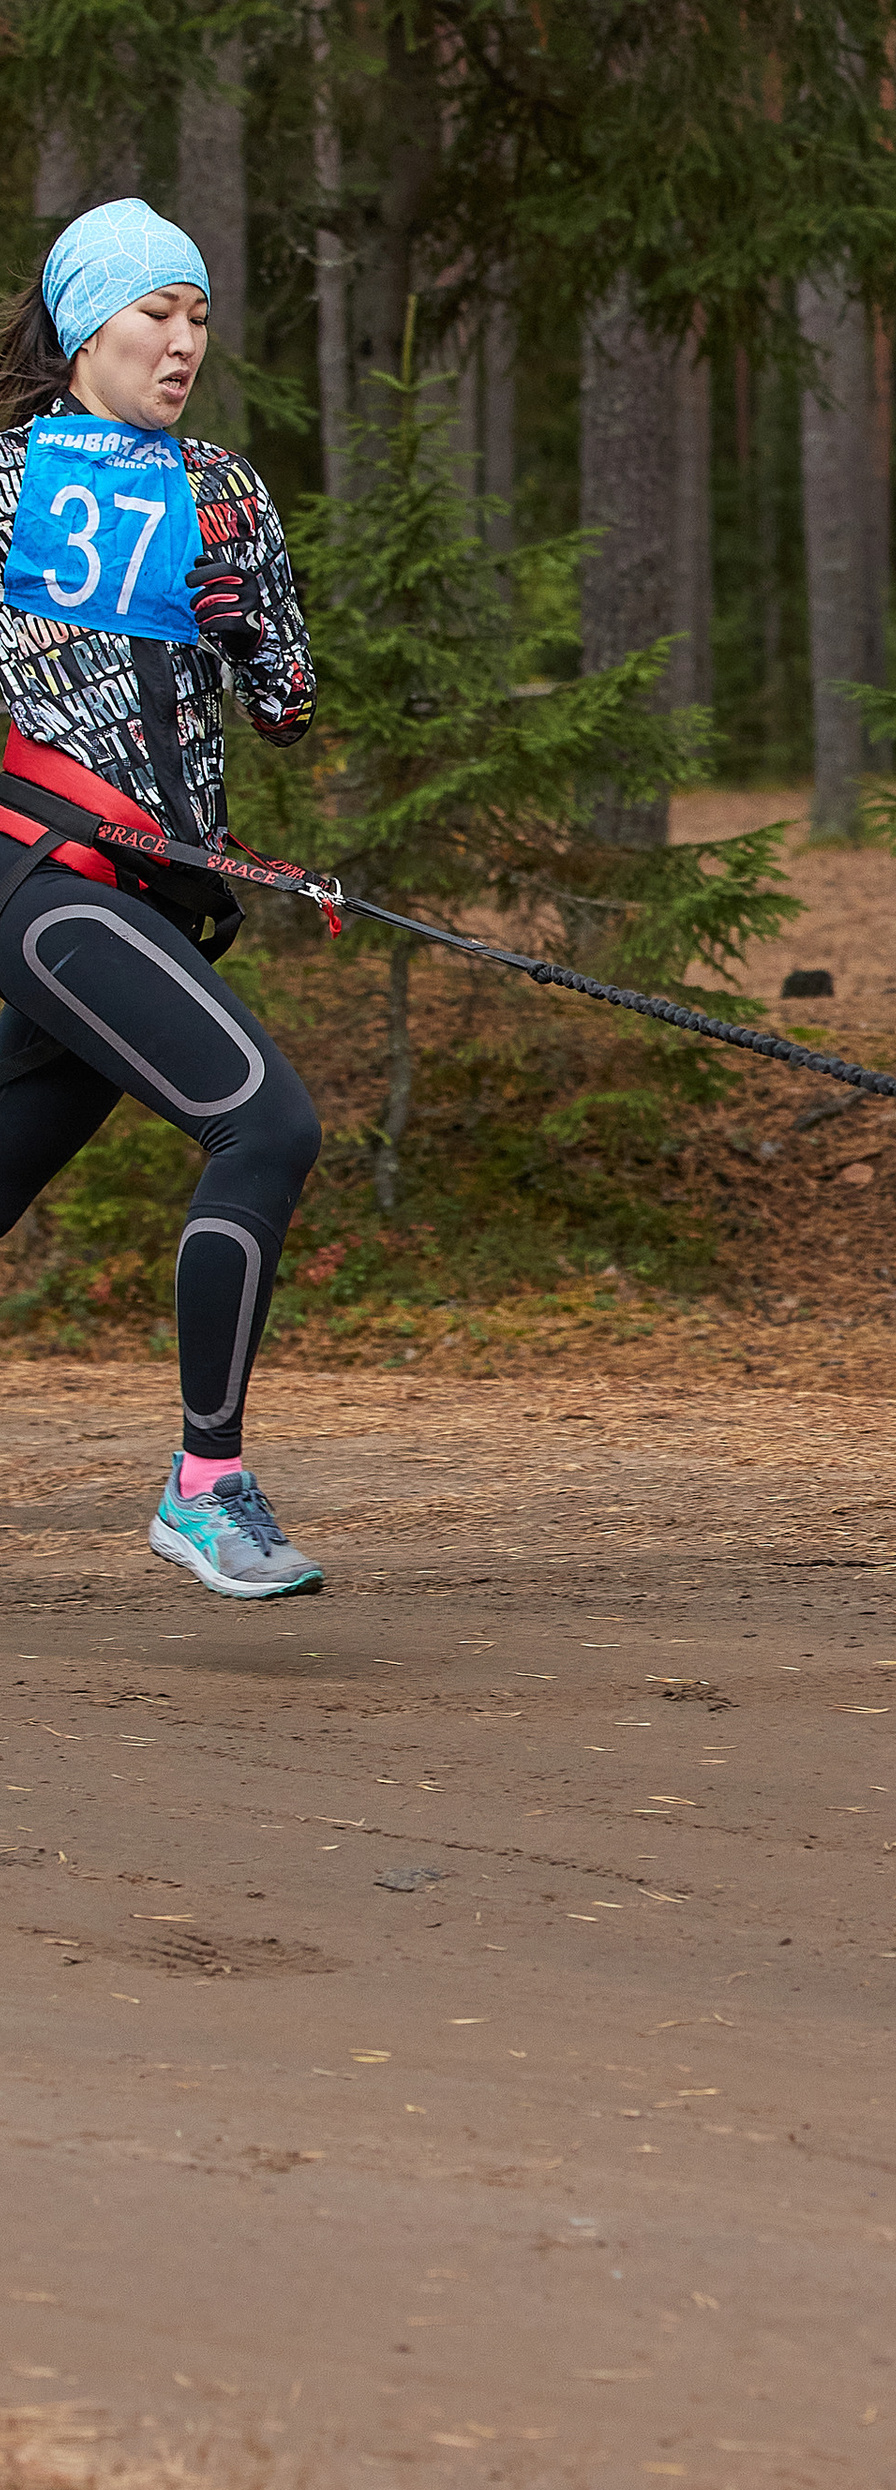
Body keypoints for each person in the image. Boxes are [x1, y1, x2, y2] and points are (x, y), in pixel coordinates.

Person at [0, 201, 325, 1598]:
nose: (184, 340)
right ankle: (207, 1484)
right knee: (265, 1122)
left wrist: (251, 618)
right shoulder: (4, 480)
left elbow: (291, 707)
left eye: (199, 315)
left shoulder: (226, 490)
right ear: (88, 327)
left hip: (165, 902)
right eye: (155, 314)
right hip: (39, 883)